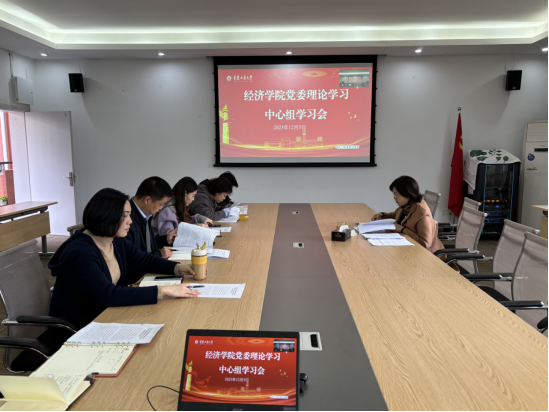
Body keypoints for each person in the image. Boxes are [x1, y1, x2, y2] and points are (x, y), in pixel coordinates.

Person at [49, 188, 203, 331]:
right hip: (77, 329)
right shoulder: (81, 253)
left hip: (106, 316)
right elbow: (109, 295)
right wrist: (165, 290)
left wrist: (178, 268)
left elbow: (144, 260)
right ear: (106, 216)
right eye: (125, 215)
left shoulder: (115, 240)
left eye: (130, 215)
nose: (130, 221)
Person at [371, 176, 444, 254]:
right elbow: (396, 214)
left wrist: (402, 229)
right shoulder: (407, 206)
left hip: (425, 255)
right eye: (393, 194)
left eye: (396, 195)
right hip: (406, 249)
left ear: (407, 194)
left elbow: (425, 244)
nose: (394, 198)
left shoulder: (422, 213)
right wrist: (382, 215)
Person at [127, 177, 176, 259]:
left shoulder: (146, 214)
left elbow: (146, 245)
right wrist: (159, 255)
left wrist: (165, 239)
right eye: (161, 204)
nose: (161, 208)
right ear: (147, 200)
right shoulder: (126, 220)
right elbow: (132, 257)